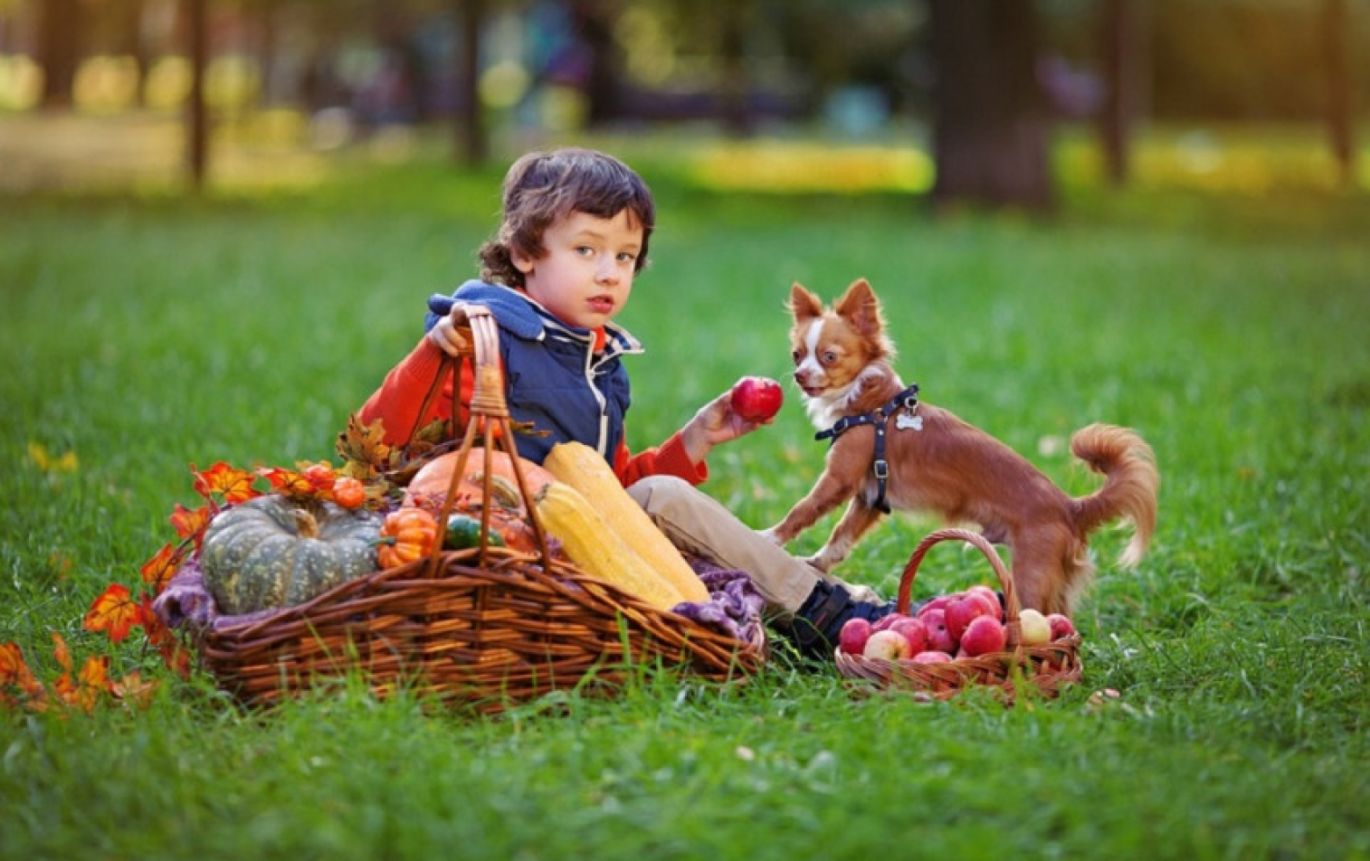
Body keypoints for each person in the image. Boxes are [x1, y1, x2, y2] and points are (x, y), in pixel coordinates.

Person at [358, 147, 893, 655]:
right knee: (662, 496)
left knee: (661, 492)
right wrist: (432, 354)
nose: (610, 272)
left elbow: (613, 492)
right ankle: (821, 611)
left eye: (625, 255)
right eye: (585, 250)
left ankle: (821, 607)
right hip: (494, 550)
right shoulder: (480, 336)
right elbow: (375, 446)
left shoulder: (600, 362)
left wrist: (694, 439)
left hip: (583, 543)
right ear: (523, 253)